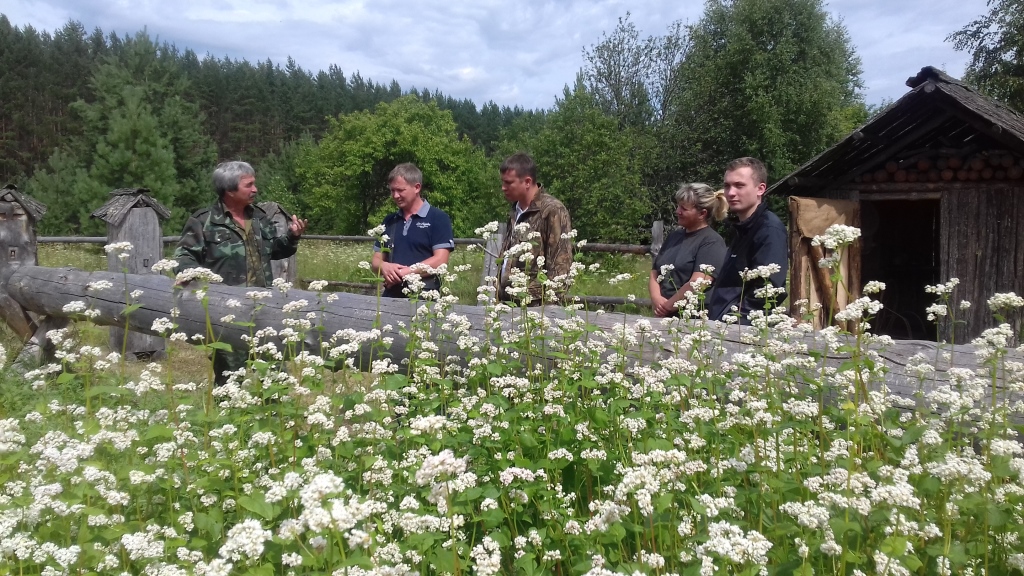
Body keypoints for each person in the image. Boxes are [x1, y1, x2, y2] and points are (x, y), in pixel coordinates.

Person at [174, 160, 307, 384]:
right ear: (229, 190)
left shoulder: (259, 217)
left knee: (275, 377)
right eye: (249, 185)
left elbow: (273, 250)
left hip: (264, 310)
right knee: (230, 380)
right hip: (227, 314)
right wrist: (189, 276)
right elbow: (184, 256)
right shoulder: (204, 221)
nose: (255, 189)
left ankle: (276, 417)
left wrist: (292, 237)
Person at [706, 157, 788, 323]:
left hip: (740, 334)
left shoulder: (769, 230)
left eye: (739, 185)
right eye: (727, 185)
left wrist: (734, 323)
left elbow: (768, 289)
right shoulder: (742, 228)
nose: (730, 193)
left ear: (760, 189)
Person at [497, 153, 573, 304]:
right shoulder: (516, 211)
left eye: (508, 183)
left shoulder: (552, 210)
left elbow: (561, 269)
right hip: (508, 305)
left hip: (535, 308)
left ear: (527, 182)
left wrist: (545, 309)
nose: (503, 188)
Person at [371, 163, 455, 298]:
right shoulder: (389, 221)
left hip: (424, 299)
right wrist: (385, 267)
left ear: (417, 188)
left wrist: (405, 273)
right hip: (391, 297)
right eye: (392, 190)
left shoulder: (438, 218)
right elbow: (375, 261)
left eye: (400, 190)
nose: (395, 195)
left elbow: (440, 260)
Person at [649, 183, 728, 317]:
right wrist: (657, 299)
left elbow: (698, 282)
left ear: (702, 213)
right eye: (678, 206)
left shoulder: (711, 241)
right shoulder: (675, 236)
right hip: (664, 315)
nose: (677, 211)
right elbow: (654, 273)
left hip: (692, 318)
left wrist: (668, 306)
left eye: (684, 208)